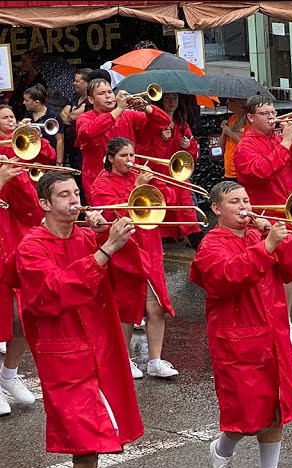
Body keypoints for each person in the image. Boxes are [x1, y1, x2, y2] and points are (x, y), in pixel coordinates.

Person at [17, 171, 143, 468]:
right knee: (87, 449)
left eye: (76, 193)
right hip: (64, 360)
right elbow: (52, 292)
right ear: (44, 204)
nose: (74, 201)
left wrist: (116, 234)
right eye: (64, 195)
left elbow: (132, 271)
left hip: (99, 353)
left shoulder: (87, 236)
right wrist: (105, 249)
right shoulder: (32, 246)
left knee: (87, 449)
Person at [189, 181, 292, 468]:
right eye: (234, 202)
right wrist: (267, 246)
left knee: (276, 408)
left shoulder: (260, 235)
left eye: (246, 199)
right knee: (244, 414)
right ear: (217, 209)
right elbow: (227, 278)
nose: (244, 206)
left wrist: (279, 240)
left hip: (271, 335)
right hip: (237, 341)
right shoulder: (211, 244)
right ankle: (222, 449)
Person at [233, 94, 292, 351]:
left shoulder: (279, 138)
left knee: (291, 272)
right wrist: (285, 143)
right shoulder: (246, 146)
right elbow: (259, 172)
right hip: (265, 218)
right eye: (266, 114)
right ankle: (269, 323)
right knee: (266, 273)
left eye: (274, 112)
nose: (273, 117)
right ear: (251, 118)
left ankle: (284, 320)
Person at [91, 137, 177, 379]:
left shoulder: (139, 175)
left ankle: (155, 360)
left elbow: (167, 201)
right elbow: (110, 214)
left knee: (157, 306)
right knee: (126, 308)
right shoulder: (102, 183)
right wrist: (137, 186)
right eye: (124, 156)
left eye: (132, 155)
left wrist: (157, 182)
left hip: (149, 247)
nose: (130, 161)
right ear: (110, 158)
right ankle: (123, 359)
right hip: (125, 252)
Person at [75, 78, 170, 203]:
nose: (108, 96)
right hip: (98, 180)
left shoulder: (129, 115)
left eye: (109, 92)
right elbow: (88, 133)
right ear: (91, 99)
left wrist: (146, 108)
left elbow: (164, 121)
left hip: (129, 177)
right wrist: (119, 109)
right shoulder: (85, 118)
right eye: (101, 93)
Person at [0, 161, 43, 414]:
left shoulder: (7, 160)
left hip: (10, 250)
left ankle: (8, 373)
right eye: (4, 117)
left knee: (23, 318)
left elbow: (32, 211)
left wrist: (17, 179)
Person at [136, 92, 201, 246]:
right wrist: (162, 141)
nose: (172, 102)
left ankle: (196, 240)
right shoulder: (151, 123)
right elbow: (144, 153)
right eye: (167, 98)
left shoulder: (182, 124)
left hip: (177, 175)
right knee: (161, 208)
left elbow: (191, 156)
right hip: (158, 174)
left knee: (186, 207)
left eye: (174, 98)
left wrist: (188, 146)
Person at [23, 85, 65, 166]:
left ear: (36, 102)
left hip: (49, 157)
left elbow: (60, 141)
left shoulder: (54, 116)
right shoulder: (28, 115)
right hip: (32, 156)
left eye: (26, 100)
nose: (24, 103)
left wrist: (59, 163)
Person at [220, 98, 247, 182]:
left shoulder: (248, 121)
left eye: (230, 100)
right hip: (229, 168)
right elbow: (221, 145)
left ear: (238, 103)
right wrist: (224, 130)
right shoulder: (232, 118)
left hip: (240, 169)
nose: (227, 102)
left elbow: (246, 145)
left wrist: (229, 132)